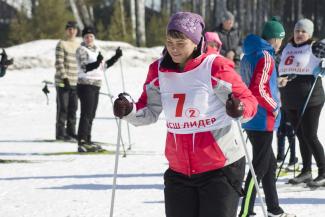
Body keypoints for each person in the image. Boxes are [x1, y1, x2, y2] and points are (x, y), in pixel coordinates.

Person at [113, 12, 258, 217]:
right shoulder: (158, 70)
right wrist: (128, 110)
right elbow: (149, 110)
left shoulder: (214, 66)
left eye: (180, 43)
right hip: (179, 169)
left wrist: (240, 108)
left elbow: (249, 101)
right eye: (169, 42)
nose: (173, 48)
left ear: (196, 41)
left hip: (220, 167)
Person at [238, 18, 295, 217]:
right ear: (276, 39)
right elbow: (259, 89)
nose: (281, 44)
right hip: (263, 117)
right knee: (259, 168)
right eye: (281, 39)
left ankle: (274, 209)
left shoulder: (248, 55)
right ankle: (246, 212)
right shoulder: (266, 55)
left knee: (269, 166)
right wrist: (275, 107)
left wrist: (275, 83)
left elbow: (253, 82)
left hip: (251, 116)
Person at [278, 18, 325, 187]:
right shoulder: (287, 47)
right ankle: (306, 171)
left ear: (310, 34)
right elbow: (281, 67)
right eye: (297, 31)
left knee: (310, 135)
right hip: (290, 99)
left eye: (303, 31)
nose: (299, 34)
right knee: (300, 135)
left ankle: (323, 171)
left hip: (310, 98)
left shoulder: (315, 47)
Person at [76, 26, 122, 152]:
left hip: (96, 85)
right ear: (83, 38)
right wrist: (96, 62)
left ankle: (88, 139)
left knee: (91, 114)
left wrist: (116, 57)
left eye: (91, 36)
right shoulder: (81, 50)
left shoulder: (96, 50)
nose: (89, 39)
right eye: (86, 37)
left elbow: (103, 66)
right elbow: (84, 66)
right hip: (85, 85)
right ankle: (82, 141)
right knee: (86, 113)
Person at [54, 21, 80, 141]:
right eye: (69, 29)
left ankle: (71, 132)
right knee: (63, 107)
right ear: (66, 31)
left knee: (73, 108)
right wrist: (65, 78)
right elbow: (59, 63)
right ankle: (60, 133)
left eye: (74, 29)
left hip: (76, 82)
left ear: (76, 31)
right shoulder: (61, 44)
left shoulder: (80, 45)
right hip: (63, 81)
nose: (72, 31)